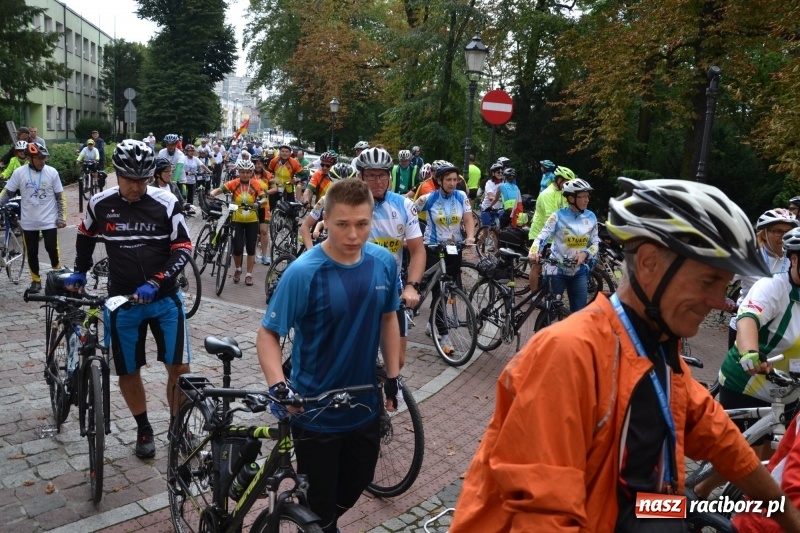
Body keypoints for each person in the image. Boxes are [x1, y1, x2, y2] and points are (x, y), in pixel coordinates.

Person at [450, 177, 800, 532]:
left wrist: (788, 517)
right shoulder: (569, 355)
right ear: (649, 262)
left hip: (633, 510)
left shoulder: (659, 351)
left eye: (724, 286)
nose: (717, 302)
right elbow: (542, 516)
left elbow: (725, 443)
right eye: (708, 282)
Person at [256, 178, 401, 533]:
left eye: (362, 224)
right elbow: (268, 334)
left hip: (365, 404)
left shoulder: (383, 262)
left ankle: (314, 514)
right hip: (314, 408)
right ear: (325, 220)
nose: (353, 234)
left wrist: (394, 376)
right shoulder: (304, 272)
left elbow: (388, 317)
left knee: (357, 481)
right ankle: (313, 520)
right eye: (342, 224)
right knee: (321, 514)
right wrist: (279, 386)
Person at [64, 140, 193, 459]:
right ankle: (144, 427)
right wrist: (80, 271)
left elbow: (183, 248)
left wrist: (158, 280)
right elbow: (85, 234)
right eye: (129, 179)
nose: (136, 186)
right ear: (117, 174)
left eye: (143, 179)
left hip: (164, 300)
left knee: (180, 369)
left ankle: (178, 427)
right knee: (128, 370)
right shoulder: (100, 203)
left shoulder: (165, 201)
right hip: (122, 302)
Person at [415, 161, 475, 353]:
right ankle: (445, 336)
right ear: (439, 180)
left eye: (455, 179)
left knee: (449, 289)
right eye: (448, 179)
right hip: (433, 248)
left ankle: (432, 322)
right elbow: (409, 214)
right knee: (438, 291)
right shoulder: (429, 199)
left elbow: (467, 218)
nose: (452, 183)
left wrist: (471, 236)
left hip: (454, 248)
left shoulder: (461, 196)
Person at [726, 208, 798, 348]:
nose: (783, 236)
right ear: (764, 234)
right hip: (745, 323)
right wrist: (725, 300)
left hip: (782, 330)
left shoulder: (794, 260)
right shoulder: (749, 257)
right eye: (778, 231)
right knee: (743, 367)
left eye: (788, 232)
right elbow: (719, 280)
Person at [0, 142, 65, 293]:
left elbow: (60, 196)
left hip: (49, 219)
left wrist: (61, 217)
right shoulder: (19, 173)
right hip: (29, 221)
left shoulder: (52, 172)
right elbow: (8, 192)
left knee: (51, 248)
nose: (42, 161)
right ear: (30, 158)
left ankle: (57, 275)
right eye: (39, 158)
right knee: (32, 252)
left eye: (44, 158)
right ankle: (36, 280)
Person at [528, 178, 599, 312]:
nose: (587, 200)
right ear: (571, 198)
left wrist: (586, 253)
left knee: (579, 314)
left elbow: (595, 243)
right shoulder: (557, 216)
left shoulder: (591, 217)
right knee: (550, 311)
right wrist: (534, 251)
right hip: (556, 270)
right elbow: (542, 237)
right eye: (582, 196)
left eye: (587, 196)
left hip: (579, 272)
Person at [209, 158, 268, 286]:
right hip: (237, 219)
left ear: (251, 172)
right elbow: (220, 189)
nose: (245, 175)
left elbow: (265, 199)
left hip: (252, 219)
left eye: (247, 172)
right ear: (239, 172)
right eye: (242, 172)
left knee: (251, 248)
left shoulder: (256, 184)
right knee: (238, 248)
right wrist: (213, 193)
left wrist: (258, 203)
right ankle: (238, 269)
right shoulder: (234, 182)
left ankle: (249, 275)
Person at [527, 165, 575, 292]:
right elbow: (550, 219)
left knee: (552, 264)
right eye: (566, 182)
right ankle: (534, 296)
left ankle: (548, 290)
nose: (568, 186)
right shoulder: (547, 194)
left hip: (554, 236)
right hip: (540, 234)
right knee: (536, 267)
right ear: (558, 180)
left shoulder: (564, 193)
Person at [253, 155, 276, 265]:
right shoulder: (248, 173)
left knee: (264, 231)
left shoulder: (268, 174)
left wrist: (264, 193)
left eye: (259, 163)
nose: (257, 165)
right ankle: (252, 253)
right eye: (255, 163)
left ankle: (264, 255)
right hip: (252, 205)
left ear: (262, 164)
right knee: (252, 231)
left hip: (264, 205)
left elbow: (275, 188)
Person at [479, 162, 504, 226]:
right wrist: (500, 199)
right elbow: (490, 197)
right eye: (498, 172)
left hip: (498, 209)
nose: (500, 174)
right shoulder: (489, 183)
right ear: (493, 173)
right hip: (487, 208)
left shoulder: (503, 183)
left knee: (499, 230)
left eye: (502, 172)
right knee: (486, 231)